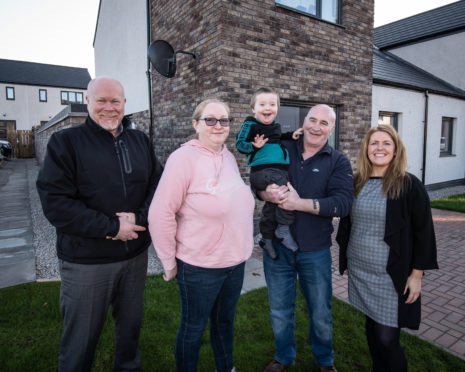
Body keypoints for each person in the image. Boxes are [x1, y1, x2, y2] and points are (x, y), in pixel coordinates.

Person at [36, 76, 163, 372]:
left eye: (115, 101)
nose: (109, 108)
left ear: (124, 104)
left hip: (135, 258)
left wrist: (139, 219)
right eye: (102, 101)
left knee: (130, 332)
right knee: (80, 342)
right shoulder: (65, 143)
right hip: (87, 262)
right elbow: (56, 203)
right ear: (88, 101)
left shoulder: (140, 141)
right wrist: (111, 227)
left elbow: (158, 187)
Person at [148, 98, 255, 372]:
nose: (218, 125)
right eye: (210, 119)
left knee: (224, 323)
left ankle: (226, 368)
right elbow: (160, 213)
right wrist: (169, 263)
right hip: (199, 267)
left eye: (224, 120)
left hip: (234, 264)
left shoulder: (228, 156)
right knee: (193, 328)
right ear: (196, 124)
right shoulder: (182, 159)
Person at [258, 104, 353, 372]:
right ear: (305, 121)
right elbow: (258, 182)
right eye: (313, 120)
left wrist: (299, 204)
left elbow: (342, 203)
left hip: (315, 250)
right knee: (279, 310)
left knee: (320, 311)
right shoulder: (284, 149)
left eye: (324, 123)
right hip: (277, 248)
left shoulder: (338, 161)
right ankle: (283, 357)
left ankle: (325, 360)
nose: (316, 126)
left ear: (331, 128)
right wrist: (268, 194)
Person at [336, 125, 438, 372]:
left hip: (392, 274)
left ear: (395, 150)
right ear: (366, 149)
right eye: (374, 143)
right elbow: (350, 225)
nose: (379, 148)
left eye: (386, 143)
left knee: (387, 338)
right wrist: (347, 260)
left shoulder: (408, 185)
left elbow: (424, 233)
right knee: (372, 330)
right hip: (361, 268)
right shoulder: (357, 182)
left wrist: (417, 275)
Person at [236, 87, 302, 259]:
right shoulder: (250, 124)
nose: (268, 108)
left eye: (272, 104)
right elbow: (239, 144)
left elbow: (277, 138)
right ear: (253, 109)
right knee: (286, 193)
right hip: (263, 171)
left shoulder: (275, 126)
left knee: (272, 207)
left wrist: (291, 135)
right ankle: (283, 229)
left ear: (277, 108)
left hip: (276, 171)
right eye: (262, 104)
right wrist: (253, 146)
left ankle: (267, 240)